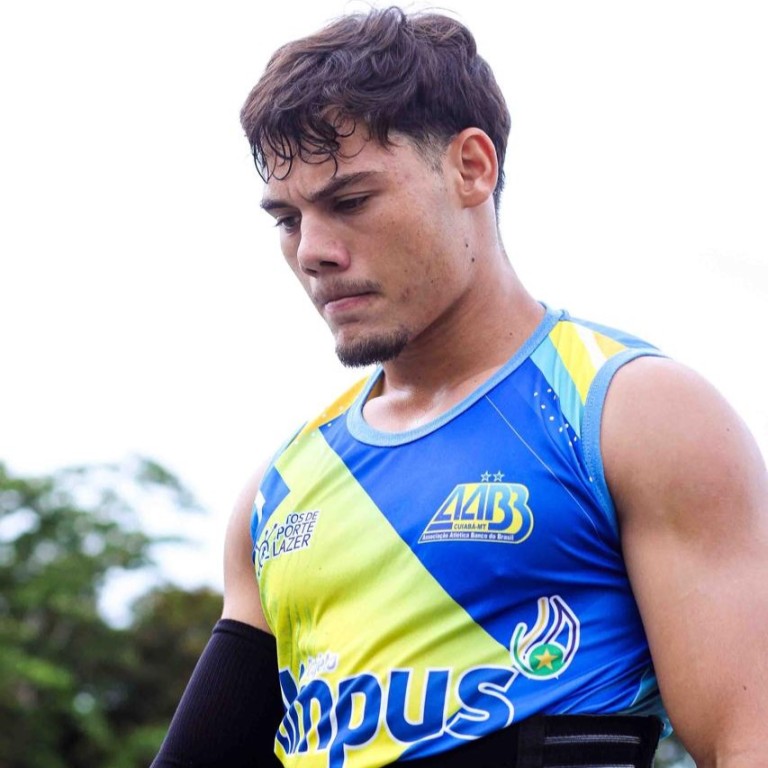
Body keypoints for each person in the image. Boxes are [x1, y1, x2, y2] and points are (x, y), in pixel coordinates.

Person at [151, 6, 768, 768]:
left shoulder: (630, 414)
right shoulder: (278, 492)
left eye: (350, 201)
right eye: (286, 219)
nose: (312, 251)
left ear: (471, 167)